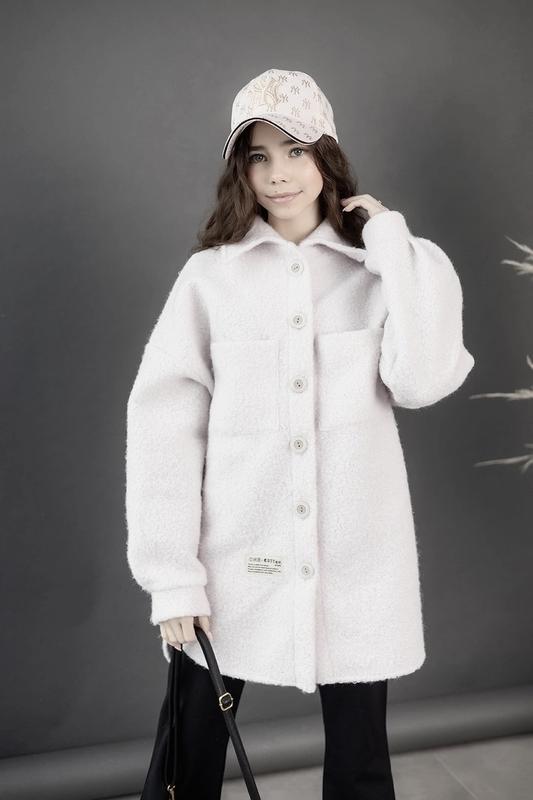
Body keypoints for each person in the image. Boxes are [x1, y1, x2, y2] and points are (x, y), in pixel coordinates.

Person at [125, 68, 475, 799]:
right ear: (239, 169)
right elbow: (163, 429)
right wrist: (172, 575)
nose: (278, 174)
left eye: (295, 151)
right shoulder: (209, 280)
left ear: (327, 156)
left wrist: (389, 240)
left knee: (361, 763)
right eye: (258, 156)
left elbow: (421, 381)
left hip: (357, 561)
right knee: (187, 752)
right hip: (233, 558)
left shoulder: (378, 272)